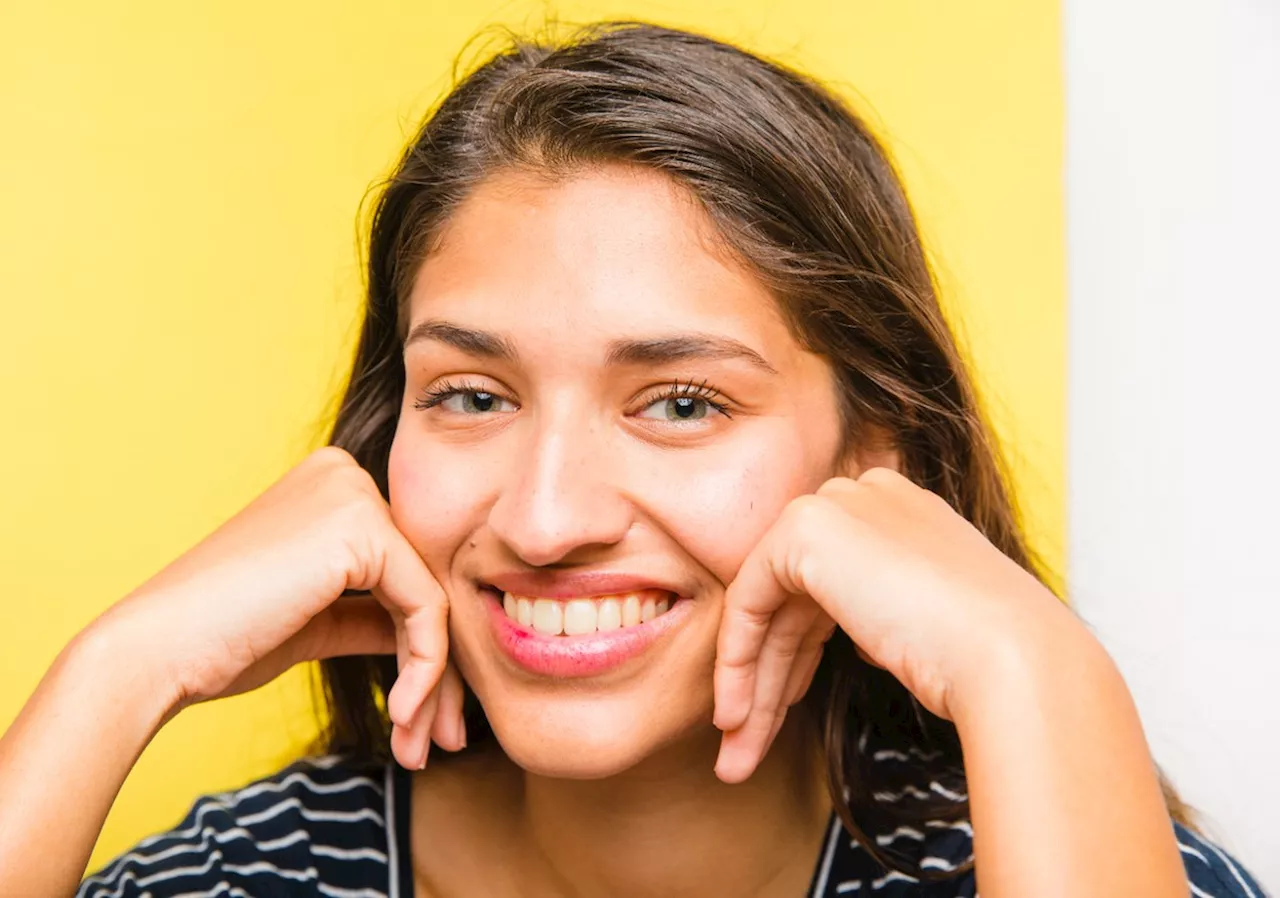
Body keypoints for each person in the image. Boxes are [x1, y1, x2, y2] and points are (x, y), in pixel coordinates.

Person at [0, 20, 1266, 898]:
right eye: (471, 394)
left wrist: (1030, 667)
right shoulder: (256, 873)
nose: (546, 519)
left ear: (870, 454)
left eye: (677, 403)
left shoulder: (1064, 848)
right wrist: (115, 670)